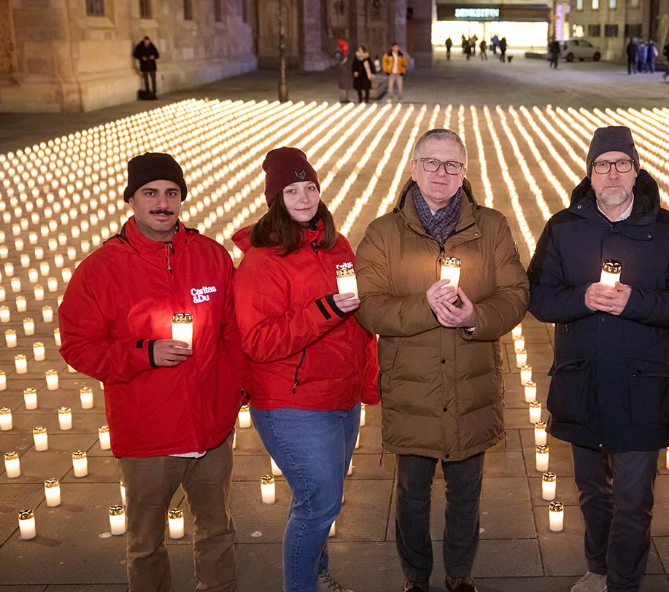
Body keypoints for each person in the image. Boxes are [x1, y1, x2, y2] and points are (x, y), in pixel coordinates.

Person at [527, 126, 669, 592]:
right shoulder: (564, 227)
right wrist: (582, 297)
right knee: (591, 493)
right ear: (589, 174)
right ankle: (598, 568)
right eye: (602, 165)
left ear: (637, 171)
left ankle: (625, 583)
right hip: (580, 383)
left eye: (622, 164)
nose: (613, 173)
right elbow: (539, 298)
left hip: (640, 387)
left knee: (633, 499)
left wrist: (636, 302)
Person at [59, 152, 247, 592]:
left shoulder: (211, 256)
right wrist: (144, 353)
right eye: (150, 193)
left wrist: (236, 390)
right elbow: (79, 347)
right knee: (145, 544)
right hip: (147, 435)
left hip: (211, 431)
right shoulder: (100, 269)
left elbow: (234, 333)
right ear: (131, 200)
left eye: (171, 193)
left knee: (218, 534)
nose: (162, 203)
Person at [355, 129, 529, 592]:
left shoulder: (491, 227)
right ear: (413, 169)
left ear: (465, 172)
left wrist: (475, 316)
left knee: (466, 495)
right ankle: (416, 578)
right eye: (431, 162)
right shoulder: (383, 233)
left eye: (452, 164)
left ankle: (459, 575)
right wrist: (422, 306)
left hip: (471, 389)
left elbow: (515, 296)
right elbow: (368, 306)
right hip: (412, 390)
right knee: (411, 496)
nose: (441, 173)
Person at [232, 147, 379, 592]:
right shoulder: (263, 261)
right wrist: (325, 309)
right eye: (291, 190)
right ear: (274, 199)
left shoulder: (338, 246)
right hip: (292, 403)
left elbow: (356, 316)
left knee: (318, 501)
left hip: (341, 396)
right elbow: (258, 341)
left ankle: (317, 577)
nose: (303, 197)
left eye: (310, 187)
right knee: (320, 506)